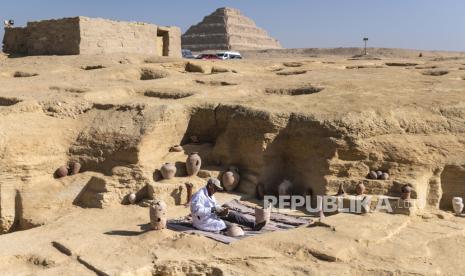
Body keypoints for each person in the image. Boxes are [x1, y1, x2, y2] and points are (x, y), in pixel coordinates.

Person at [190, 178, 266, 232]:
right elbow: (196, 211)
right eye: (215, 188)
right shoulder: (199, 196)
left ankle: (254, 225)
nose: (216, 191)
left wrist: (221, 209)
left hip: (213, 215)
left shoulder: (210, 193)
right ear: (210, 186)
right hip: (203, 222)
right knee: (231, 227)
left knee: (233, 215)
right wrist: (213, 209)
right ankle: (232, 227)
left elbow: (215, 205)